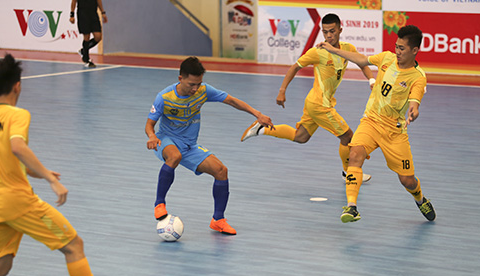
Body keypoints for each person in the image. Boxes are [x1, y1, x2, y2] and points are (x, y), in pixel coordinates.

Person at [0, 54, 126, 276]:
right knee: (74, 246)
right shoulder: (18, 115)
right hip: (18, 203)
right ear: (18, 85)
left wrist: (39, 172)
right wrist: (52, 181)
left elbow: (4, 156)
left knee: (1, 265)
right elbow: (16, 147)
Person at [317, 25, 436, 223]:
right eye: (396, 46)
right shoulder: (386, 59)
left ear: (414, 50)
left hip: (394, 132)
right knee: (354, 153)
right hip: (371, 121)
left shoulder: (418, 77)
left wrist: (414, 109)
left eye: (402, 49)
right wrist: (333, 49)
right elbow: (362, 60)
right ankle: (352, 207)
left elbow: (415, 100)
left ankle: (420, 198)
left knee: (407, 180)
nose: (397, 52)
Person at [145, 56, 274, 235]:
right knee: (175, 156)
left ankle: (218, 220)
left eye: (198, 84)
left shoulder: (203, 91)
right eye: (191, 84)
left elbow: (231, 100)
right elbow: (149, 125)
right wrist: (152, 137)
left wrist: (257, 114)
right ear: (180, 78)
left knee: (221, 170)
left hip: (189, 145)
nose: (195, 88)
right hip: (166, 139)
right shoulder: (164, 97)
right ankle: (159, 203)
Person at [241, 13, 374, 182]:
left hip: (315, 102)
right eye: (325, 32)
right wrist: (282, 90)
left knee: (300, 137)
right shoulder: (317, 52)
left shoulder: (347, 49)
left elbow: (362, 62)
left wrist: (371, 80)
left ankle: (261, 129)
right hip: (320, 105)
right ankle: (348, 173)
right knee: (347, 136)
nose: (329, 36)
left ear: (340, 30)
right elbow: (294, 67)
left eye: (332, 31)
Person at [69, 0, 108, 68]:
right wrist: (72, 15)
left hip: (93, 14)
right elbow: (74, 1)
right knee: (86, 37)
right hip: (83, 14)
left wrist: (103, 12)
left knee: (98, 37)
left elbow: (98, 0)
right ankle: (86, 60)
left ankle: (83, 50)